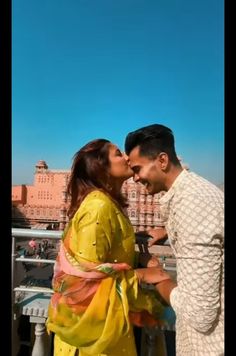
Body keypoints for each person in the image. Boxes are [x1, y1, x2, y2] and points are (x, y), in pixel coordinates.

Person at [46, 138, 174, 356]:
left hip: (103, 332)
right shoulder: (98, 207)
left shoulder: (108, 204)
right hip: (89, 340)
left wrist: (152, 234)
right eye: (117, 153)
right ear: (101, 167)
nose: (126, 157)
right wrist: (142, 275)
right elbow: (82, 283)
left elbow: (104, 259)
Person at [124, 124, 224, 355]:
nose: (136, 178)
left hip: (210, 346)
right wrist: (168, 229)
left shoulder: (193, 203)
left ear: (162, 161)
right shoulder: (193, 192)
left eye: (138, 169)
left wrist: (159, 280)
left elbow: (200, 314)